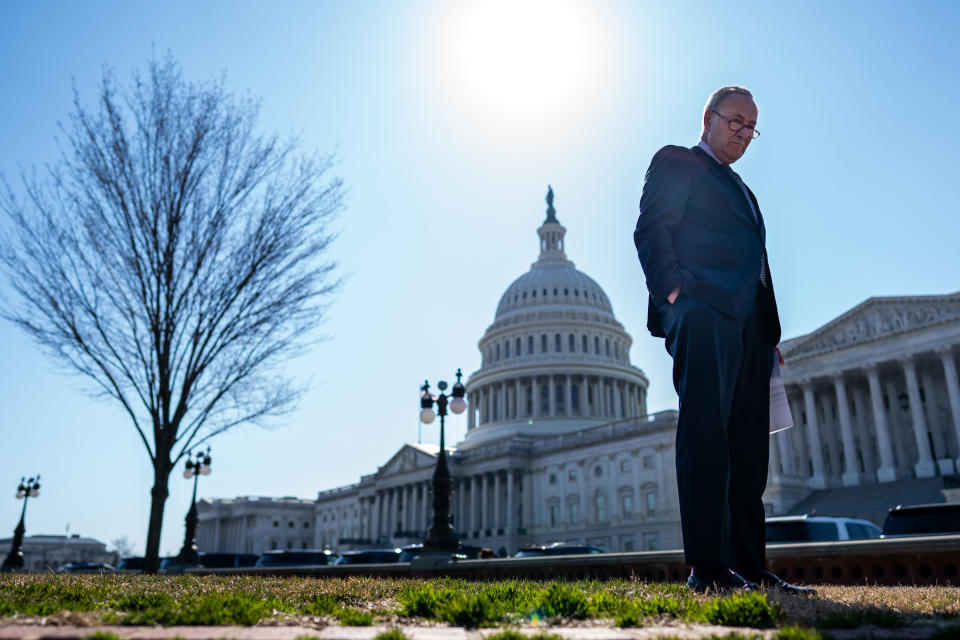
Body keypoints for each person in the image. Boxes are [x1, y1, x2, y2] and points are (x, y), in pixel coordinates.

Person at [633, 86, 813, 595]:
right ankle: (707, 568)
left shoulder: (745, 190)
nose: (742, 133)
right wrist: (676, 297)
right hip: (703, 311)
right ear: (708, 118)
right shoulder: (677, 162)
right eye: (735, 121)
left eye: (751, 127)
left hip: (751, 329)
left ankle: (750, 568)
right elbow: (652, 231)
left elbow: (756, 260)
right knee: (706, 437)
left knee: (749, 451)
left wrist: (767, 329)